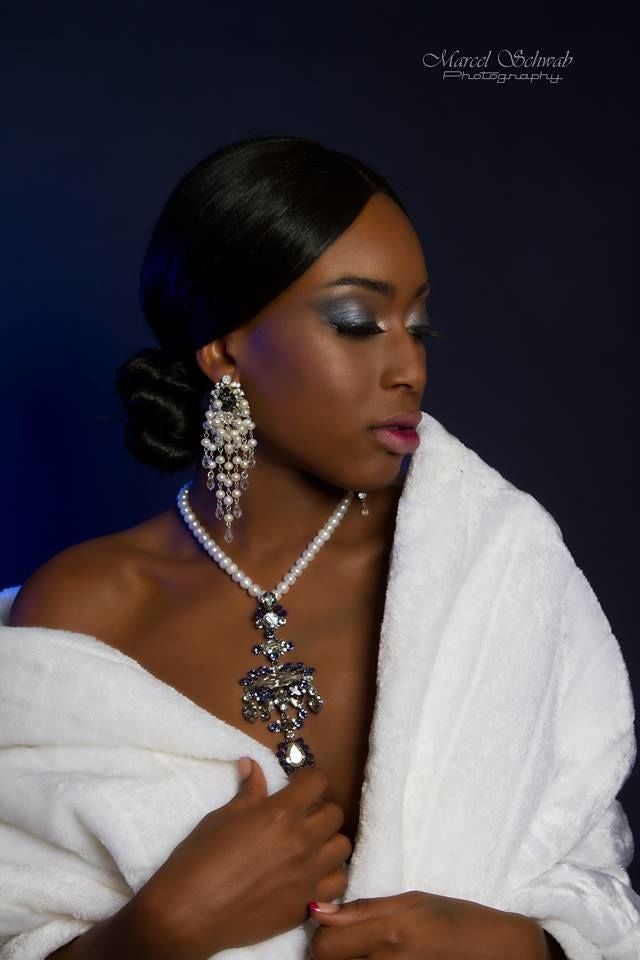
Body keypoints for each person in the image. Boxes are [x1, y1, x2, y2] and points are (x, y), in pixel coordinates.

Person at [0, 135, 637, 960]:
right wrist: (147, 936)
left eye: (418, 327)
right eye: (357, 322)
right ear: (226, 348)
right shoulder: (87, 610)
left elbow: (593, 883)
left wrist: (525, 948)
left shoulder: (494, 573)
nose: (409, 367)